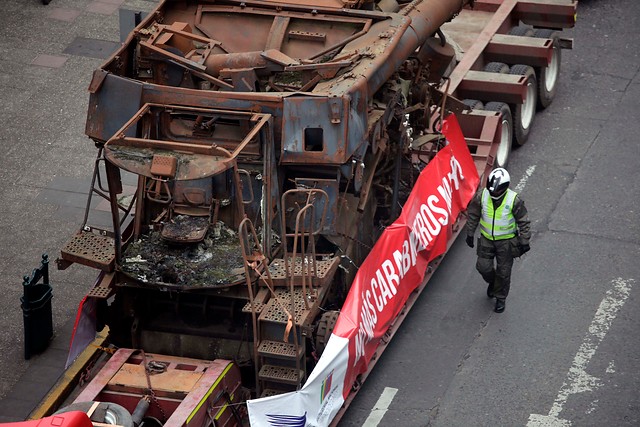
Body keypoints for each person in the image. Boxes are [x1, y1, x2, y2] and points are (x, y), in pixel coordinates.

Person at [465, 168, 531, 313]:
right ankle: (494, 283)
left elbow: (523, 222)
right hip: (487, 240)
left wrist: (524, 241)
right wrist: (470, 233)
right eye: (491, 190)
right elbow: (473, 214)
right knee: (483, 267)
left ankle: (500, 297)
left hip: (506, 243)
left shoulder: (514, 200)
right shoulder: (482, 196)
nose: (493, 193)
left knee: (504, 272)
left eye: (496, 190)